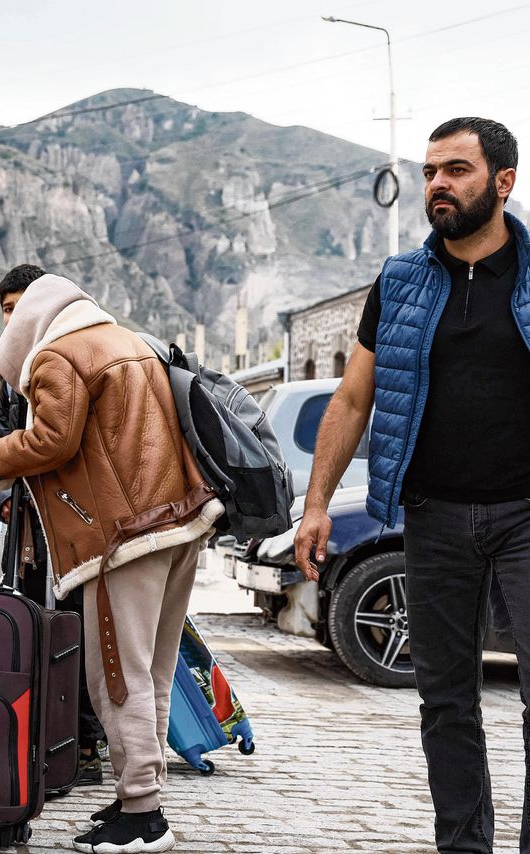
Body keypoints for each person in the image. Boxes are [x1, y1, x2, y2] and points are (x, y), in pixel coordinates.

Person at [294, 117, 530, 854]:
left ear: (502, 182)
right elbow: (352, 399)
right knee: (446, 703)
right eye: (430, 171)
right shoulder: (400, 283)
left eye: (456, 170)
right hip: (432, 515)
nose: (437, 185)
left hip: (528, 514)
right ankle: (463, 846)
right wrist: (317, 503)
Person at [0, 273, 222, 853]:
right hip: (177, 523)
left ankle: (144, 815)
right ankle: (140, 795)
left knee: (115, 676)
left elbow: (50, 442)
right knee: (152, 672)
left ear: (34, 315)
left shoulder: (59, 354)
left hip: (122, 538)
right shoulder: (129, 340)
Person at [0, 263, 108, 787]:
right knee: (36, 630)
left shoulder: (72, 357)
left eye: (20, 309)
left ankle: (82, 748)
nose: (14, 320)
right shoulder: (12, 369)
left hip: (80, 532)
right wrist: (3, 502)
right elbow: (1, 437)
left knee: (79, 639)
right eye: (6, 312)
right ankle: (39, 740)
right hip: (32, 537)